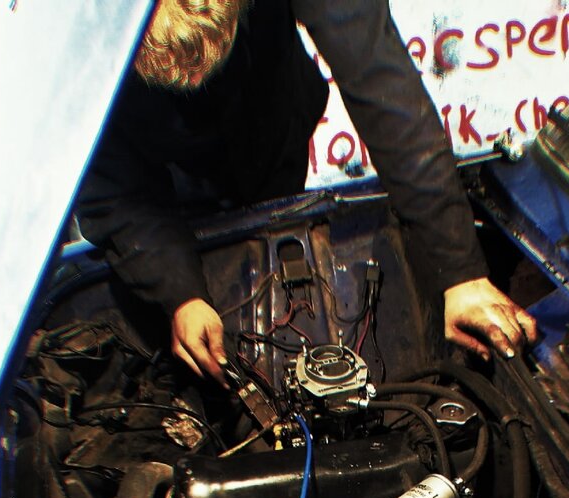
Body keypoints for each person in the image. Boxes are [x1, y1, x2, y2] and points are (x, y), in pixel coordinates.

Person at [78, 0, 536, 388]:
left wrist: (458, 272)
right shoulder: (70, 31)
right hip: (157, 165)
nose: (199, 83)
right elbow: (112, 186)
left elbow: (380, 81)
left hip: (269, 115)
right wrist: (179, 294)